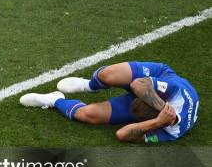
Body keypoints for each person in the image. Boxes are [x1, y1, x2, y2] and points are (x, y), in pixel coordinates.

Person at [20, 61, 199, 142]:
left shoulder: (172, 131)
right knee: (107, 75)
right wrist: (163, 109)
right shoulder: (175, 90)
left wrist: (157, 121)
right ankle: (88, 85)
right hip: (156, 78)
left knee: (86, 115)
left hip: (154, 108)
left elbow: (122, 135)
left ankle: (54, 99)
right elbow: (139, 85)